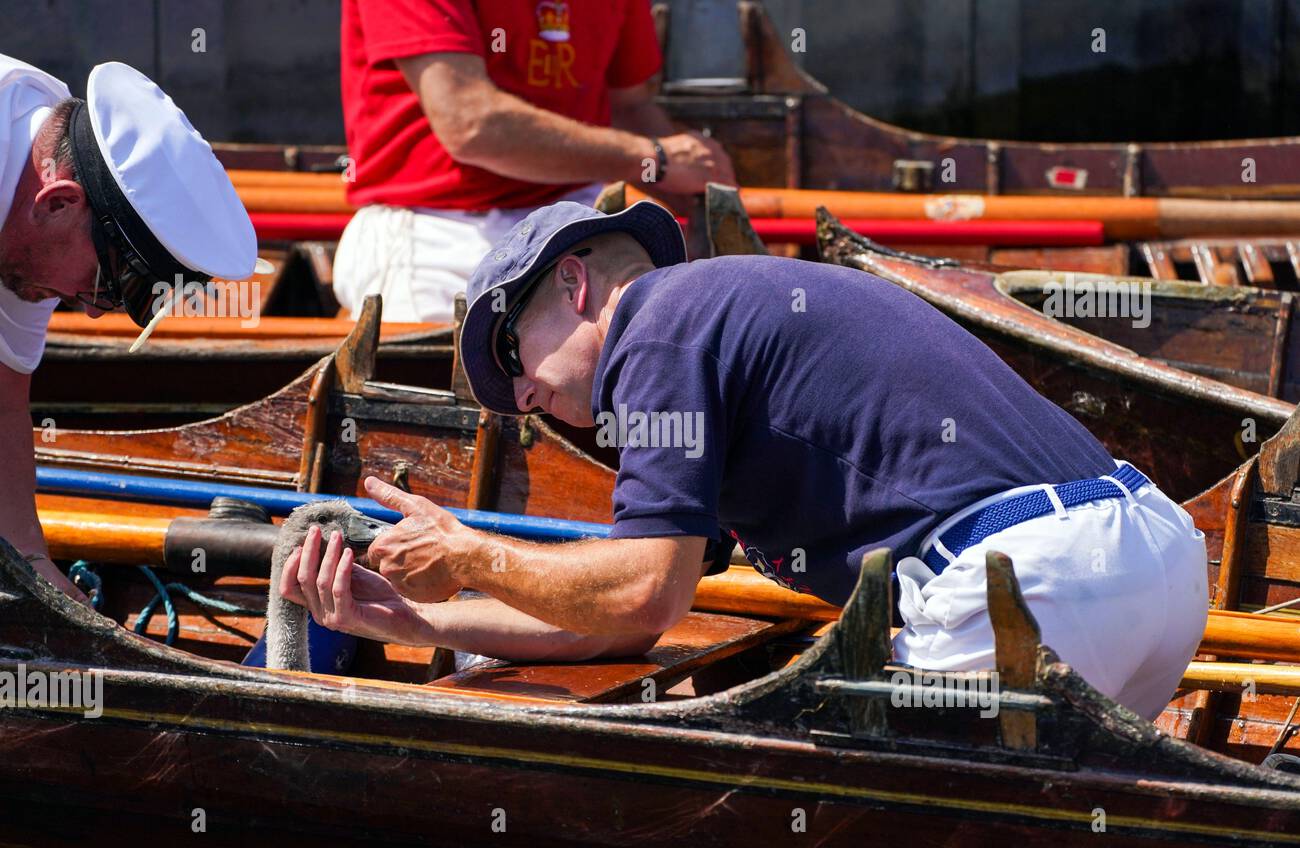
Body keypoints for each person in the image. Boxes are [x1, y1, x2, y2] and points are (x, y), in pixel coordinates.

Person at [284, 200, 1209, 721]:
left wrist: (474, 555)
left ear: (574, 285)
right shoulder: (717, 316)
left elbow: (642, 592)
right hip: (1153, 563)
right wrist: (420, 619)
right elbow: (627, 623)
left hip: (1029, 585)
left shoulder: (654, 329)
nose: (521, 400)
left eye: (514, 362)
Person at [0, 54, 260, 603]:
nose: (92, 314)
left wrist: (31, 570)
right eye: (107, 287)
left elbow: (3, 404)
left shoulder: (37, 221)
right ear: (60, 202)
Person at [333, 0, 734, 324]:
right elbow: (470, 125)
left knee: (662, 355)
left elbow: (627, 107)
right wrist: (655, 158)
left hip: (581, 219)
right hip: (437, 231)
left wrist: (707, 199)